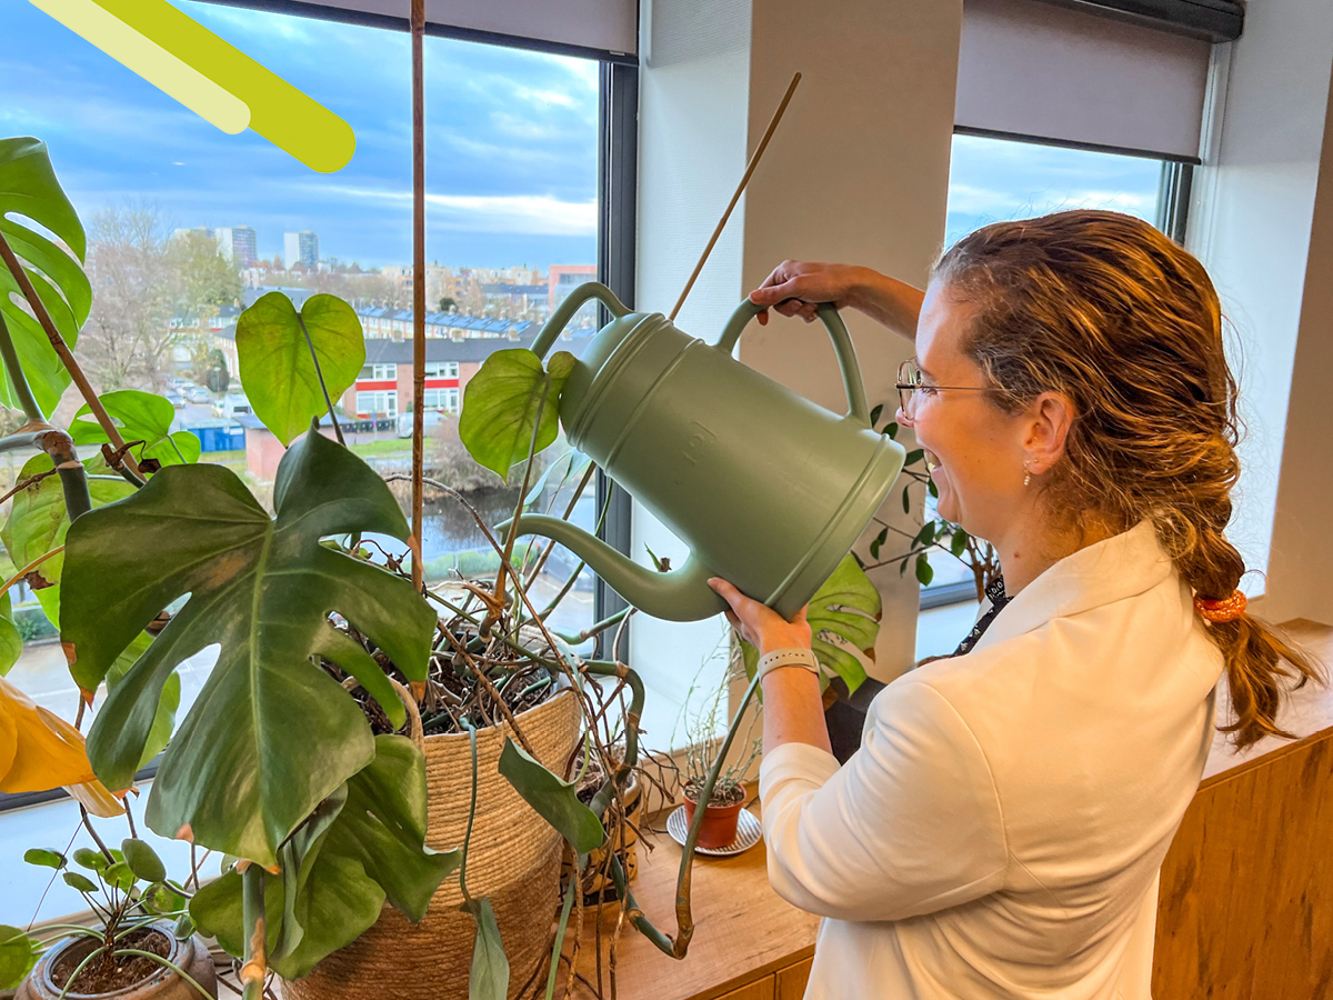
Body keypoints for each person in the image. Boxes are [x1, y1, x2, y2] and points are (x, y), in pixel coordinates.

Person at [706, 210, 1322, 1000]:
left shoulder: (962, 724)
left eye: (924, 386)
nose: (906, 413)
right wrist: (860, 289)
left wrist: (784, 649)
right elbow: (1041, 361)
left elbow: (800, 855)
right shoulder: (1177, 587)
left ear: (1042, 427)